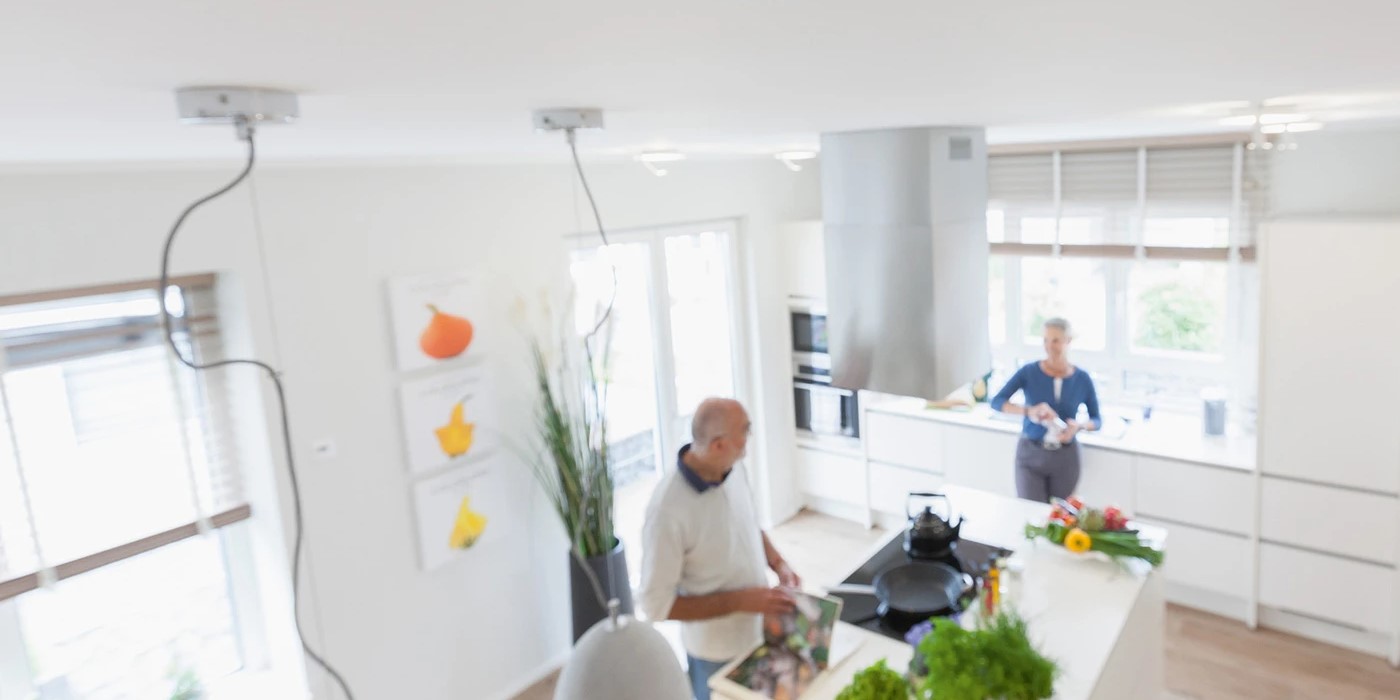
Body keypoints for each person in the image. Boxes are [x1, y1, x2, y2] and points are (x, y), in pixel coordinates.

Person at [638, 398, 802, 700]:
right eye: (744, 433)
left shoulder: (734, 469)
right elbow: (655, 606)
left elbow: (749, 524)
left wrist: (779, 563)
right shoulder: (667, 512)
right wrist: (741, 601)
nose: (748, 443)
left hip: (757, 632)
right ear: (718, 445)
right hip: (715, 654)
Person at [989, 317, 1101, 502]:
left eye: (1055, 340)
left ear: (1068, 341)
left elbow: (1097, 420)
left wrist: (1078, 426)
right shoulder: (1029, 372)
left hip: (1065, 457)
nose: (1049, 346)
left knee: (1060, 514)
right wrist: (1029, 411)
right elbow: (996, 402)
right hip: (1030, 453)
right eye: (1045, 340)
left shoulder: (1082, 379)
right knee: (1030, 510)